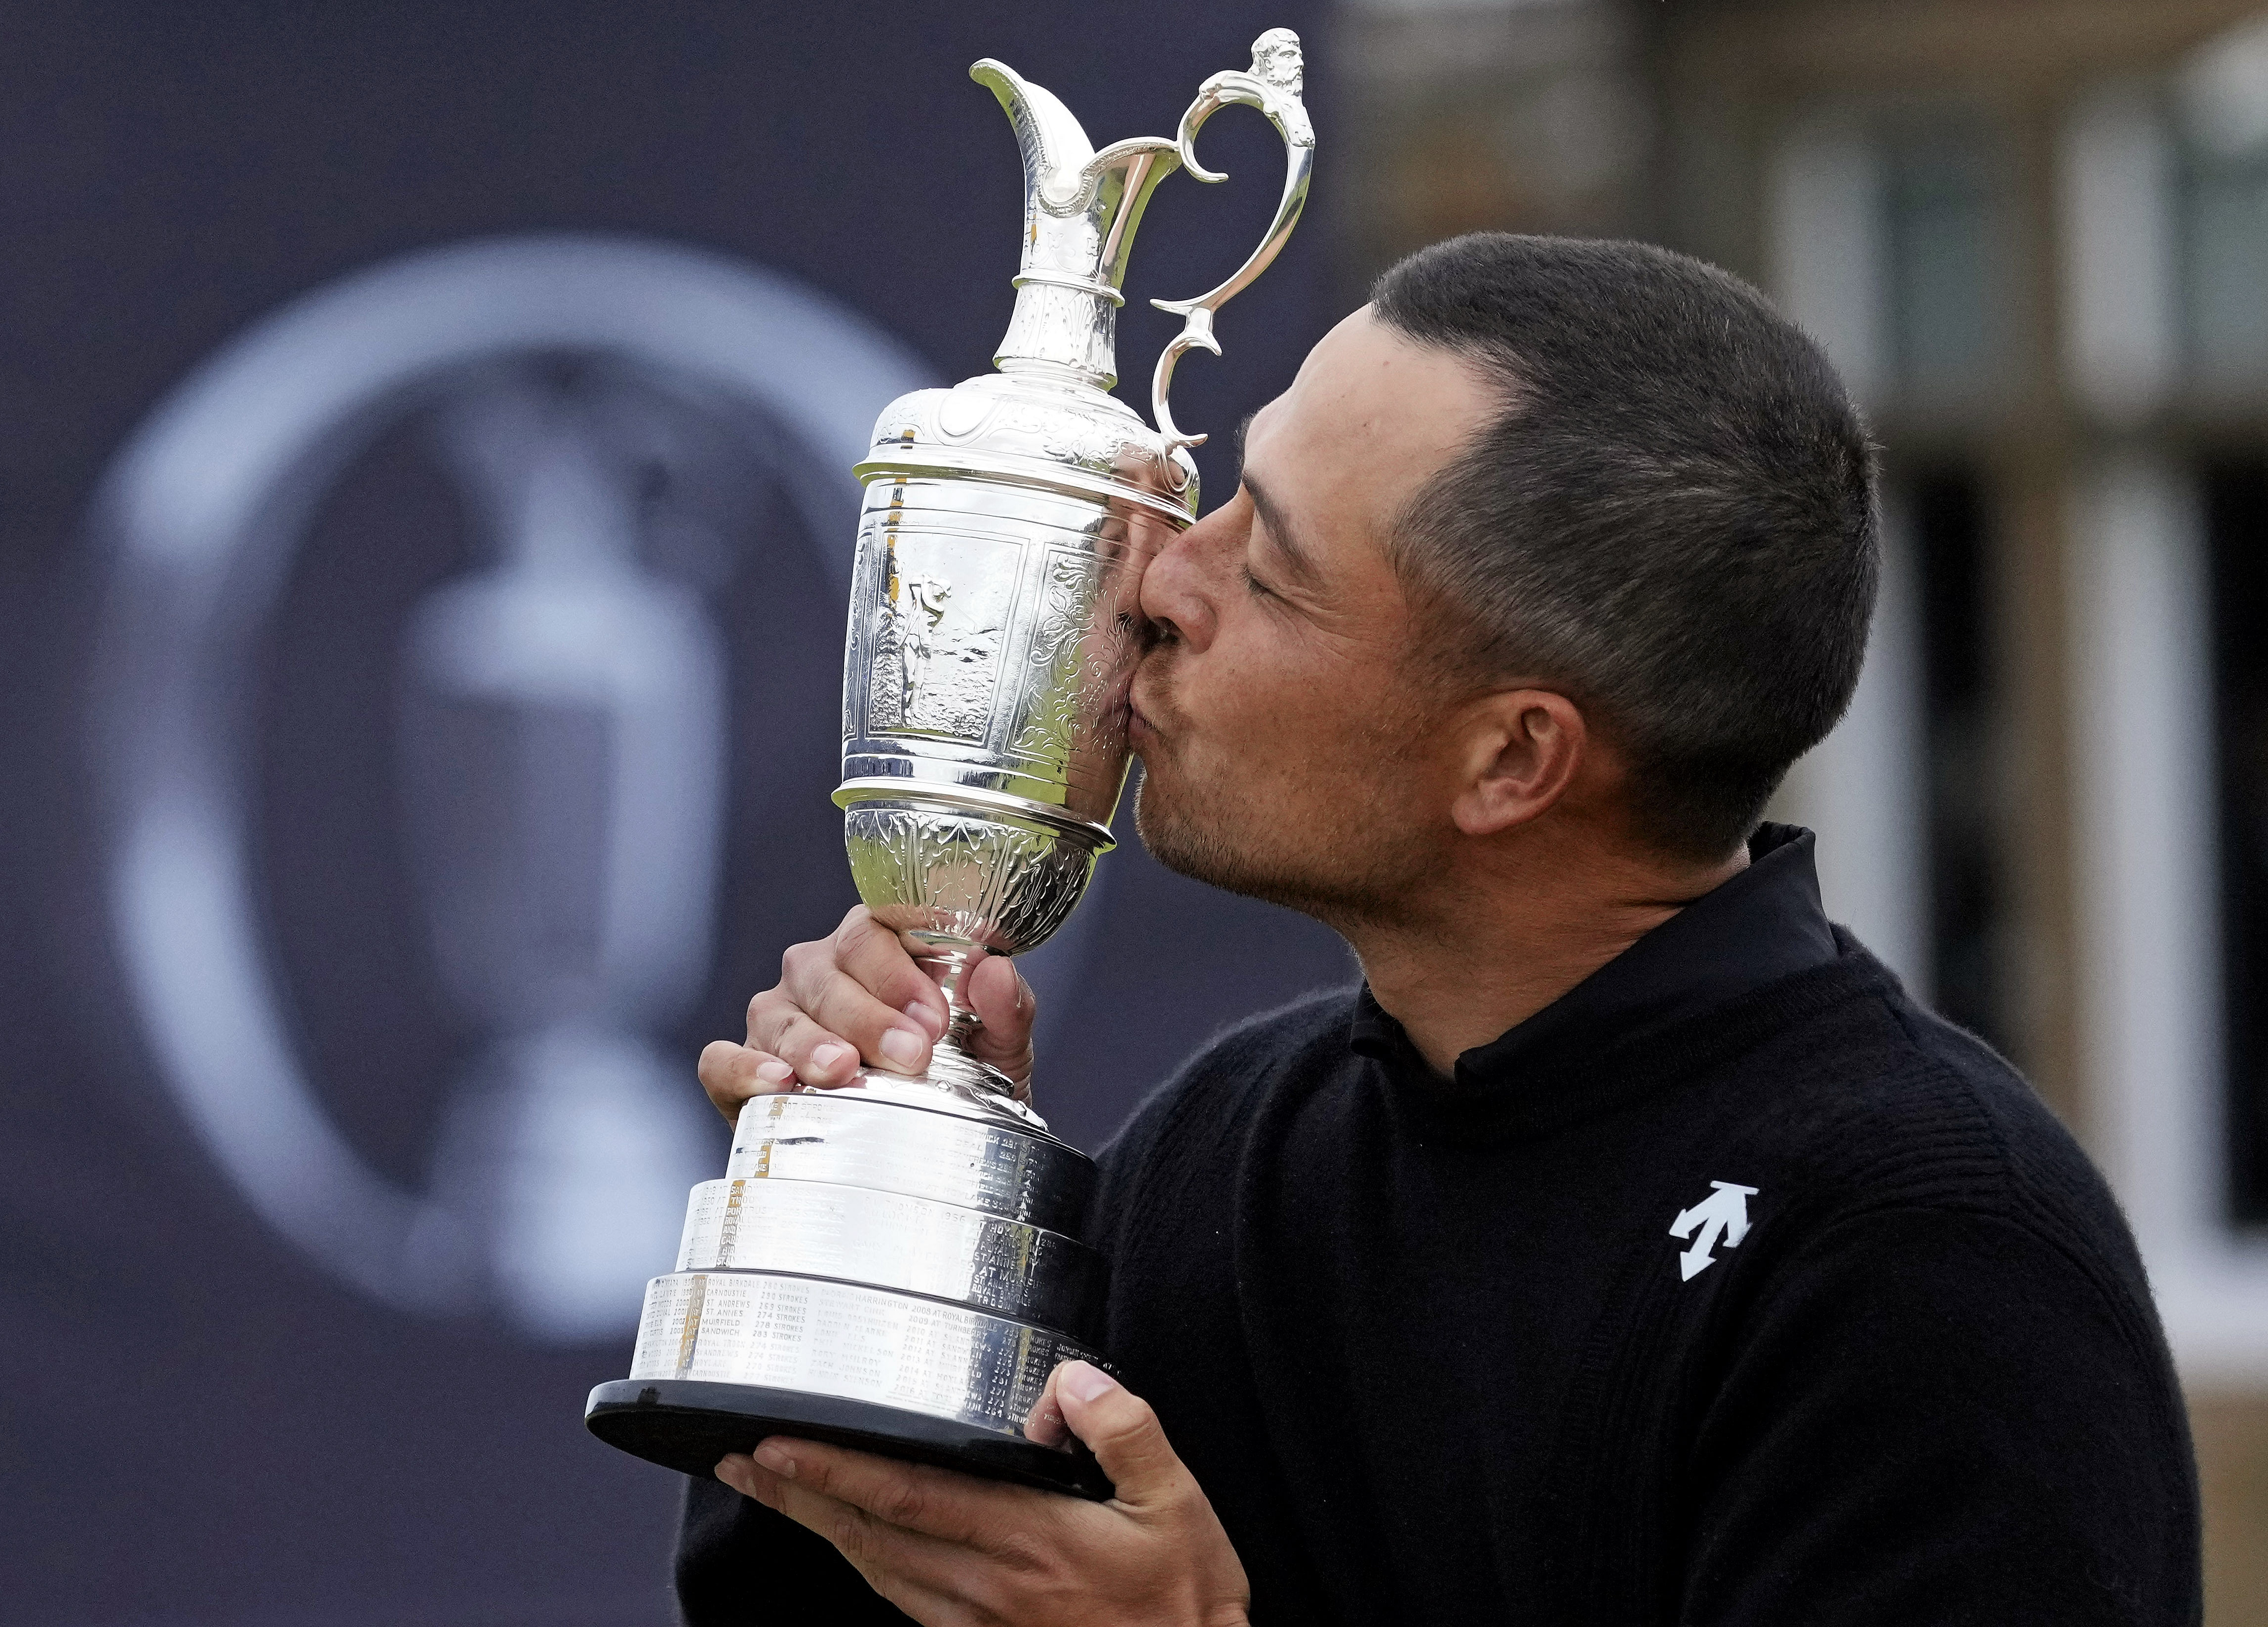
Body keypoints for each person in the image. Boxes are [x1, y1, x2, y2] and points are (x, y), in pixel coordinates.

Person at [673, 234, 2201, 1626]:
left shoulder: (1928, 1259)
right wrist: (907, 1225)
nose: (1154, 582)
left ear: (1511, 760)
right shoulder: (1237, 1148)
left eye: (1266, 566)